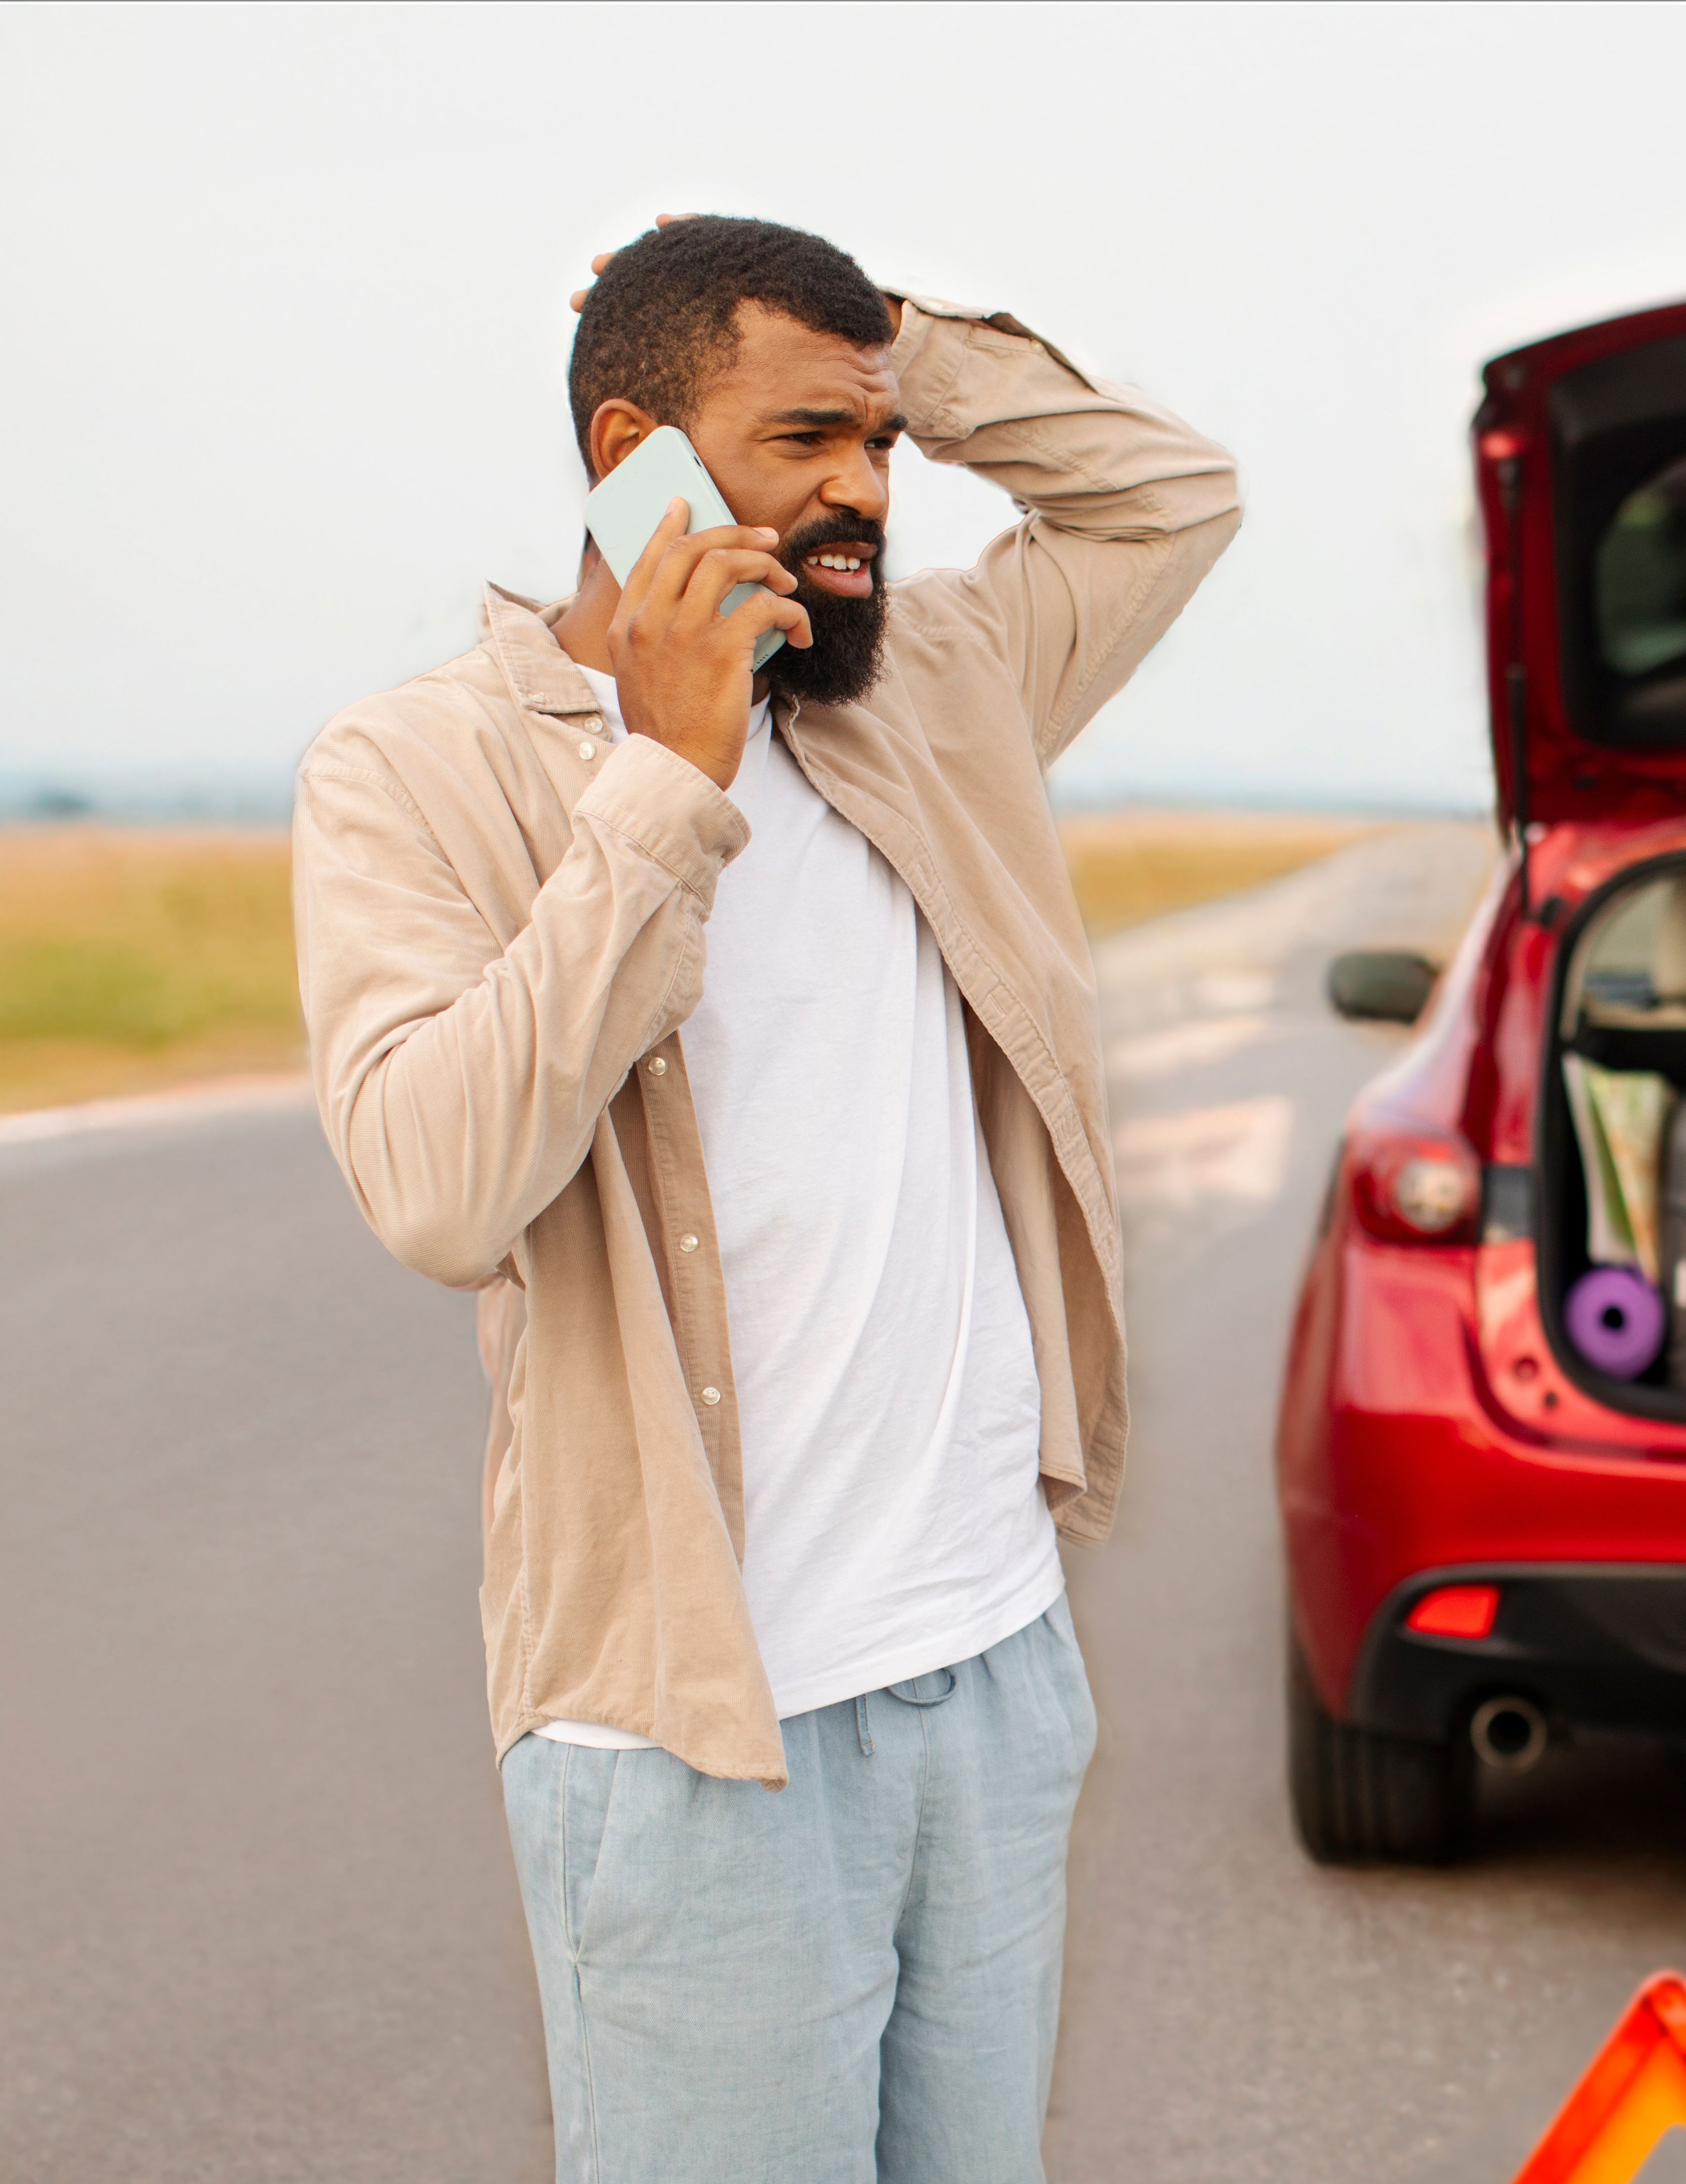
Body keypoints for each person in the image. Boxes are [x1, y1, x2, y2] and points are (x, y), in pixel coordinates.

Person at [290, 214, 1238, 2182]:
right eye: (809, 435)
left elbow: (1172, 499)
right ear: (630, 446)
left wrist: (908, 349)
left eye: (882, 445)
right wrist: (663, 779)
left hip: (989, 1672)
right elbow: (441, 1184)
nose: (866, 492)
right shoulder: (417, 772)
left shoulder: (933, 694)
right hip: (699, 1744)